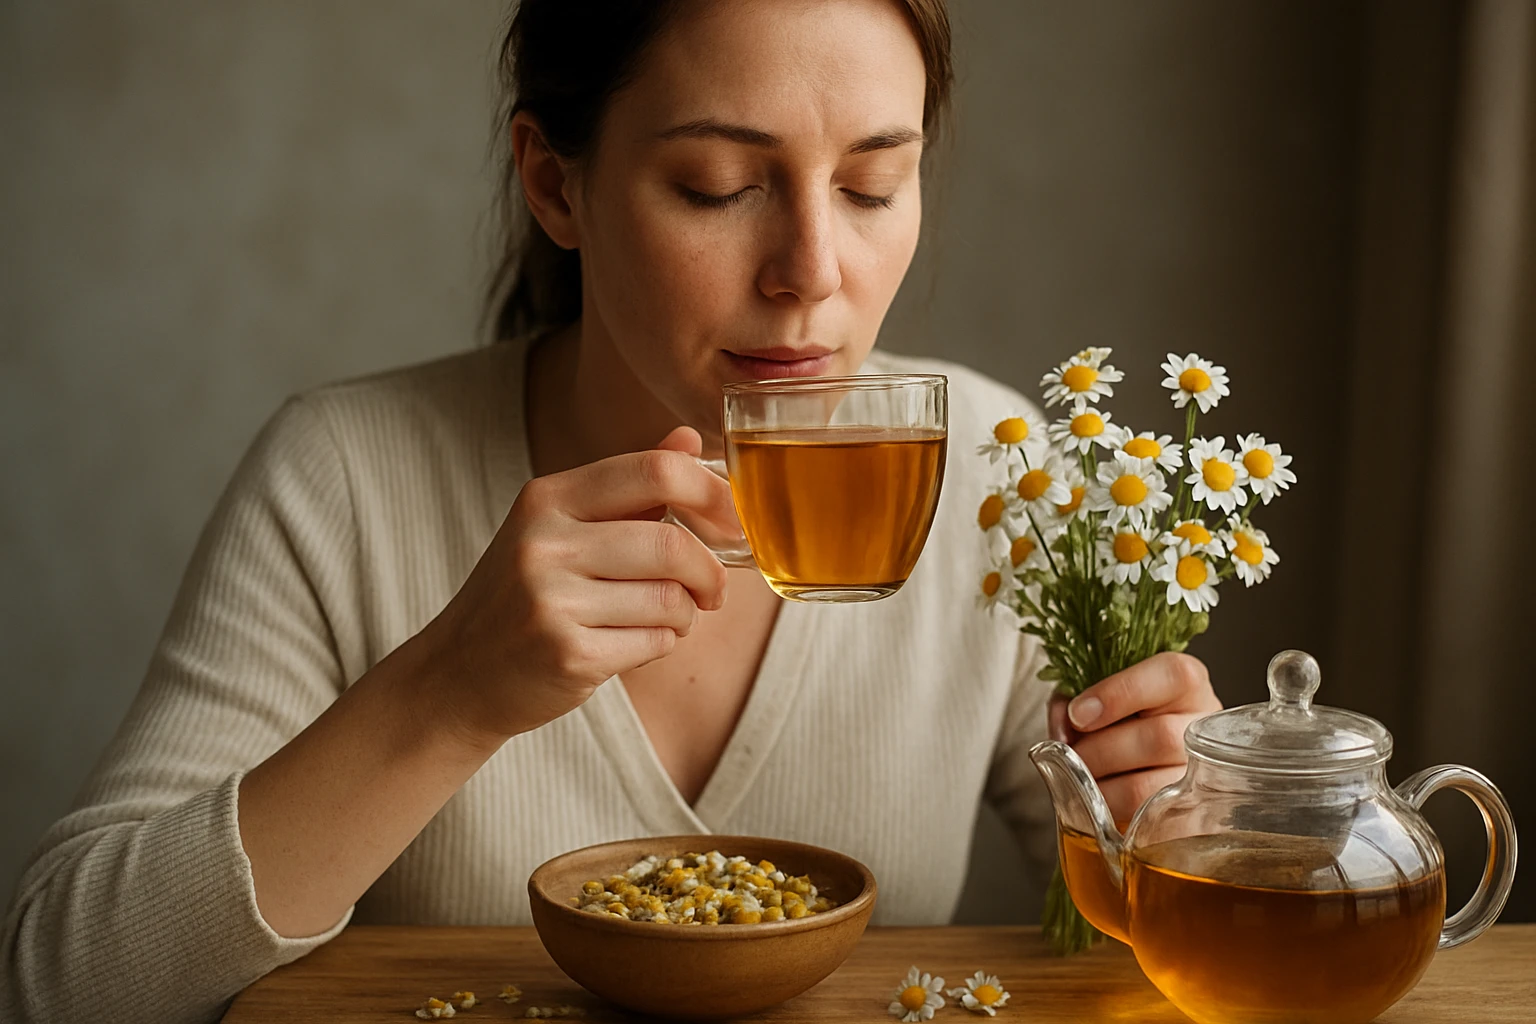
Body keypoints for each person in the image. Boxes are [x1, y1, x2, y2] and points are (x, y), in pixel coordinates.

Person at [0, 2, 1220, 1022]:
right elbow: (61, 981)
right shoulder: (346, 476)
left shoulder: (998, 470)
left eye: (871, 185)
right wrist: (447, 693)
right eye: (718, 187)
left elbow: (1145, 950)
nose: (812, 271)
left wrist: (1185, 828)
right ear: (555, 183)